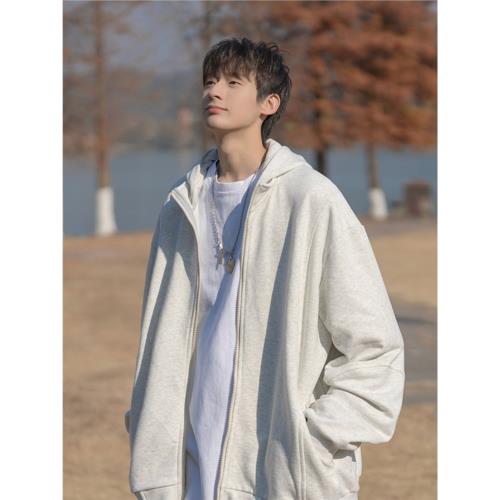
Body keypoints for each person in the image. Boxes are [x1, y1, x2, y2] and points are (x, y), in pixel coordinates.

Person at [124, 37, 405, 500]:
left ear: (268, 103)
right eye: (210, 80)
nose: (215, 91)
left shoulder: (310, 200)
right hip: (187, 467)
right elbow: (159, 338)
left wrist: (315, 437)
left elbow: (374, 346)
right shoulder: (180, 205)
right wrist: (149, 425)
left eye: (234, 82)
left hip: (277, 471)